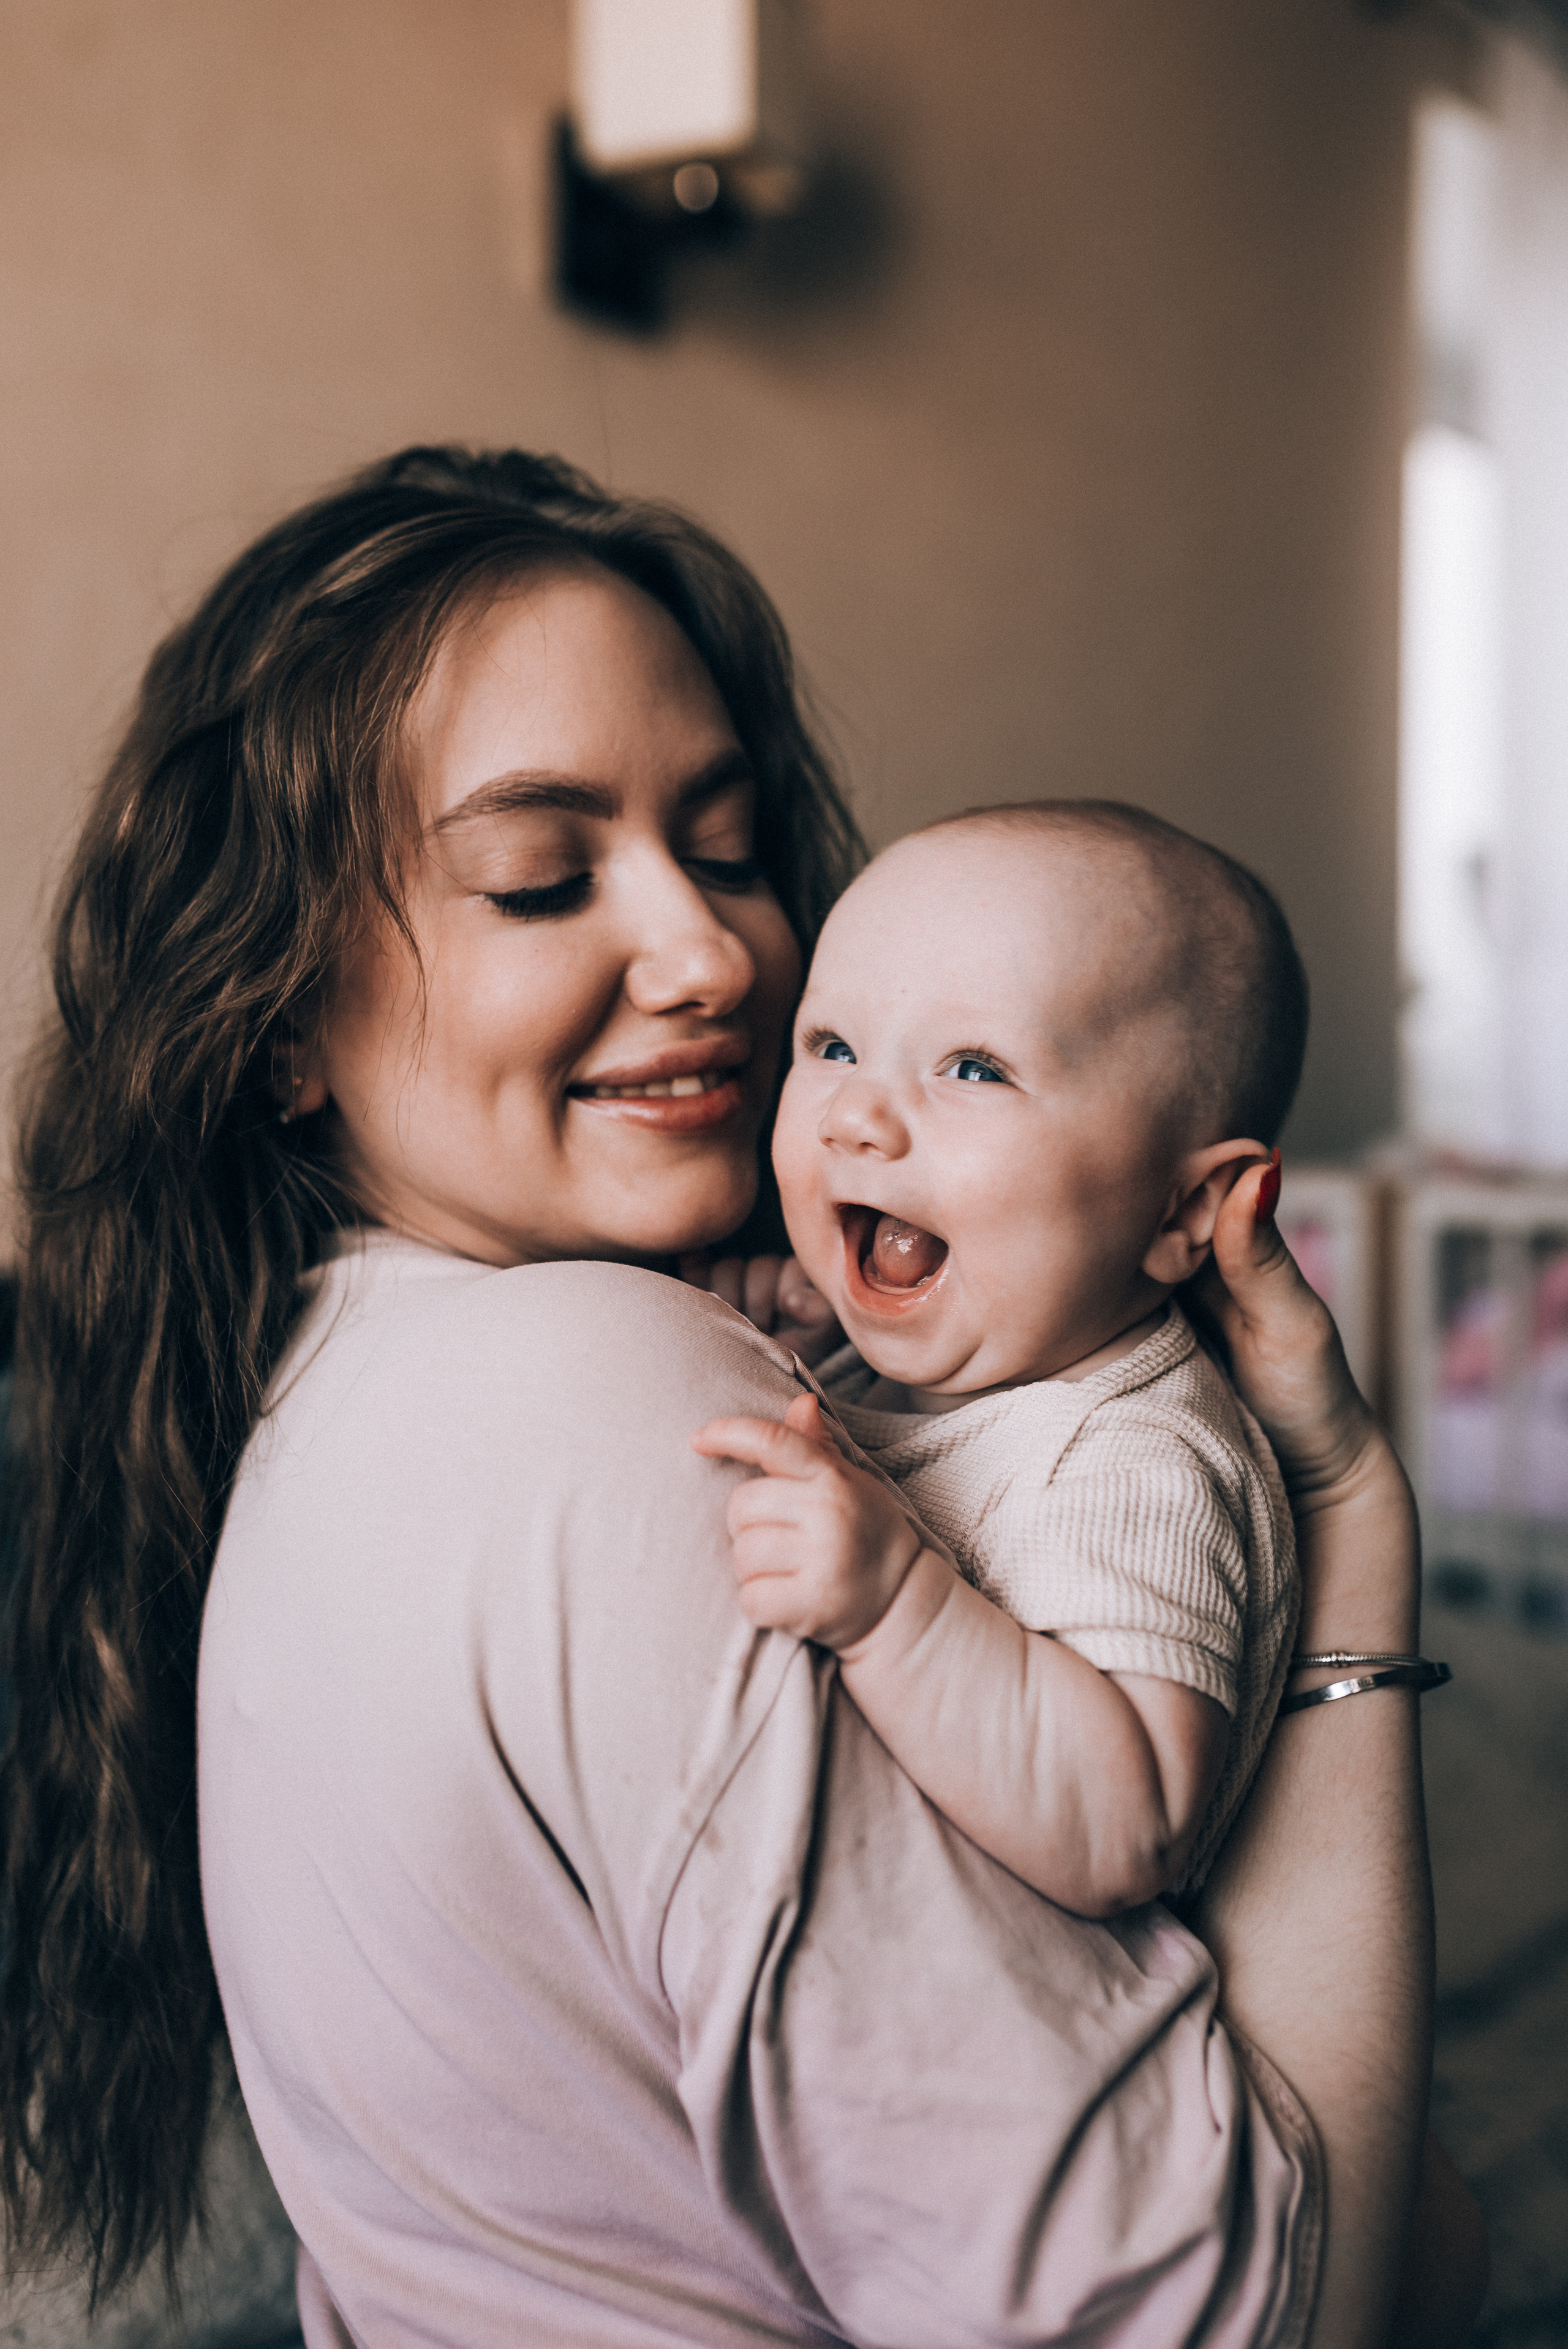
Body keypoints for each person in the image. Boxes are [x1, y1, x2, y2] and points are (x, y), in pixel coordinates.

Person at [0, 445, 1479, 2347]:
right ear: (280, 1024)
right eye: (542, 881)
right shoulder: (621, 1408)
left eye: (726, 848)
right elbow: (1243, 2315)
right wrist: (1351, 1522)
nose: (717, 958)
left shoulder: (321, 1379)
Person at [693, 802, 1310, 1919]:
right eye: (830, 1048)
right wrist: (784, 1343)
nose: (858, 1117)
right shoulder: (937, 1359)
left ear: (1186, 1208)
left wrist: (899, 1608)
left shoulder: (1135, 1458)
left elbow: (1131, 1823)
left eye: (973, 1068)